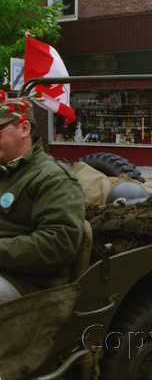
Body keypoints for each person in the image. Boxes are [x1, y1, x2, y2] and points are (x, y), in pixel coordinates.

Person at [0, 101, 85, 303]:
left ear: (24, 128)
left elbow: (58, 244)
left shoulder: (52, 178)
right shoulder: (5, 171)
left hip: (28, 283)